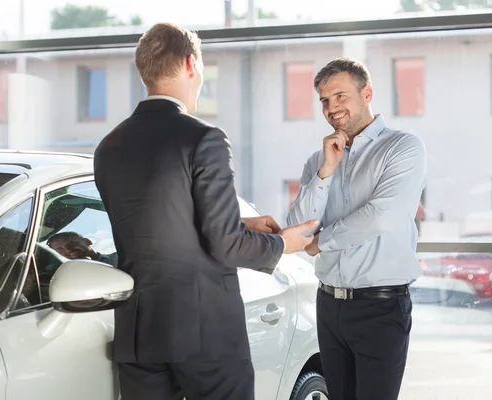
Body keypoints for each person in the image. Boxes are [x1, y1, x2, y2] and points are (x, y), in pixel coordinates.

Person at [94, 22, 318, 400]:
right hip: (205, 333)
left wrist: (242, 222)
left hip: (139, 333)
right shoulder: (203, 138)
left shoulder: (108, 147)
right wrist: (284, 244)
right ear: (190, 63)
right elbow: (226, 245)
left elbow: (157, 224)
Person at [287, 57, 427, 400]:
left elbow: (382, 216)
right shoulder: (317, 160)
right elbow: (297, 227)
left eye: (340, 96)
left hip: (380, 306)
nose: (331, 107)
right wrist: (326, 171)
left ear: (366, 93)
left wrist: (323, 242)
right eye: (324, 100)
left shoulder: (402, 148)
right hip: (329, 304)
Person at [47, 231, 118, 267]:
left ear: (88, 241)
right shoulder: (69, 274)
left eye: (72, 243)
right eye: (60, 249)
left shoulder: (119, 258)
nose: (68, 249)